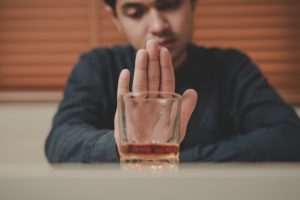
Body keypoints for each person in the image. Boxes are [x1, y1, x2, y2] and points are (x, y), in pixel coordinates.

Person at [45, 0, 300, 162]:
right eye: (135, 12)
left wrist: (162, 158)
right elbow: (59, 141)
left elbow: (288, 137)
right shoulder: (97, 66)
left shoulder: (231, 67)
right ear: (115, 19)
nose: (157, 24)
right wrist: (122, 145)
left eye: (168, 4)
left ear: (193, 4)